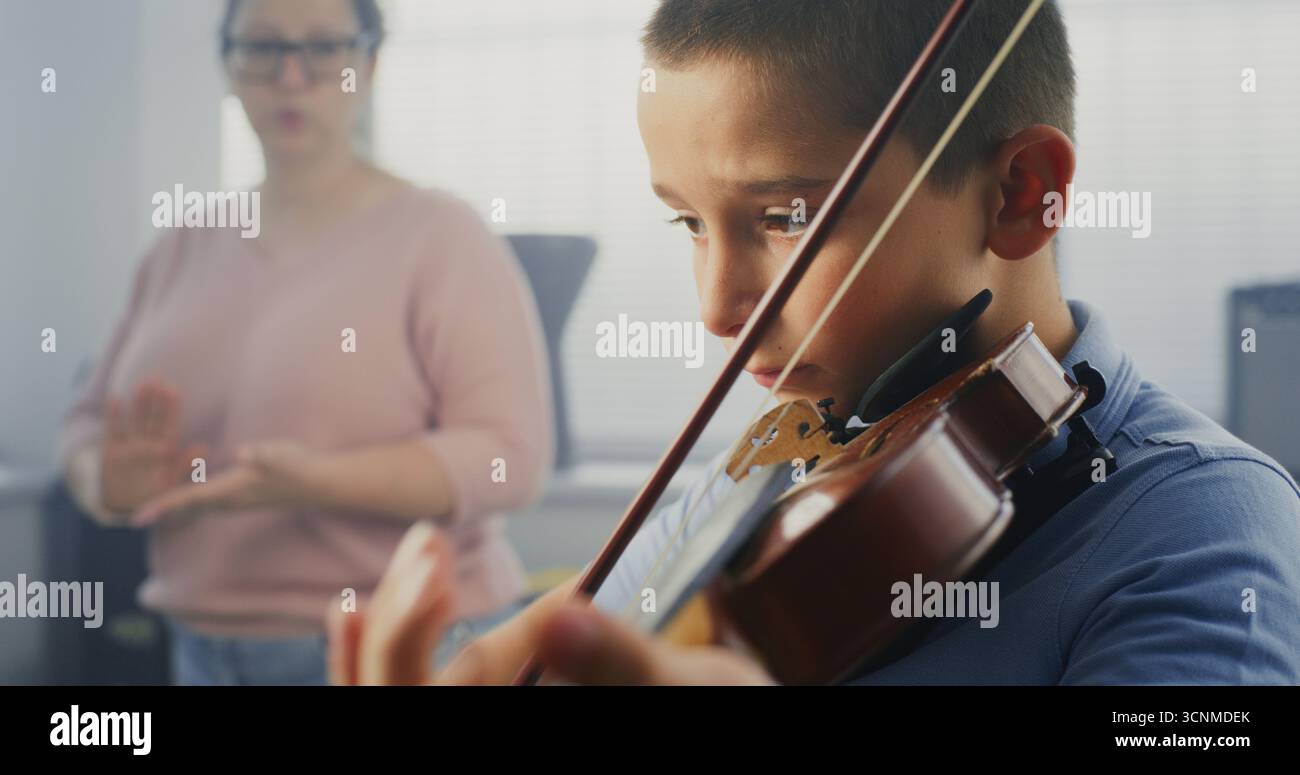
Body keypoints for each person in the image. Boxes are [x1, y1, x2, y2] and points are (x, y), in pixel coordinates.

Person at [333, 0, 1300, 685]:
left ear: (1020, 193)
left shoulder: (1205, 530)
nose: (719, 310)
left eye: (788, 216)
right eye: (689, 224)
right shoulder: (779, 461)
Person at [57, 0, 553, 685]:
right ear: (227, 66)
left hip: (404, 646)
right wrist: (104, 481)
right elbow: (83, 425)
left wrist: (310, 483)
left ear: (369, 66)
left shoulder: (441, 234)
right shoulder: (177, 247)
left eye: (324, 48)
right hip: (199, 650)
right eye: (262, 48)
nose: (291, 75)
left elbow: (511, 458)